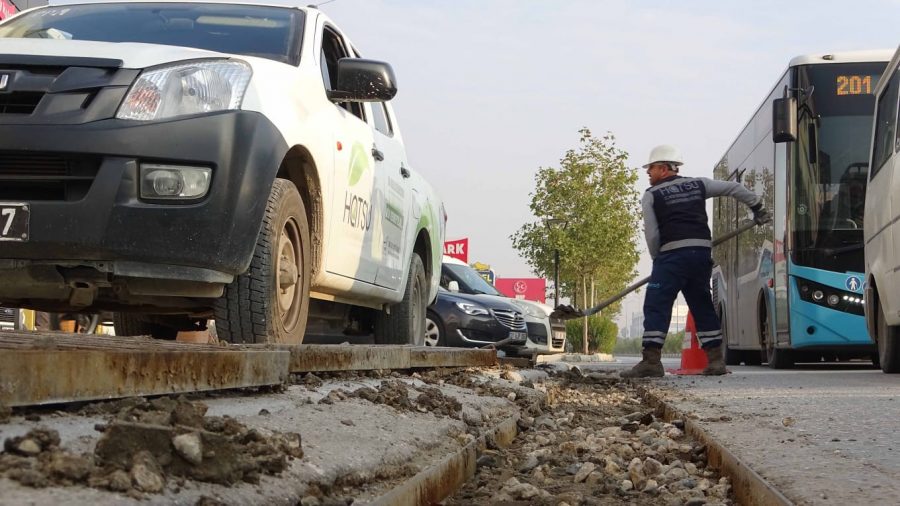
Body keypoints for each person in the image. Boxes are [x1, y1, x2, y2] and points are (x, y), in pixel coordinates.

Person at [622, 145, 770, 378]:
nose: (648, 173)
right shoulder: (699, 184)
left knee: (656, 304)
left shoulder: (651, 195)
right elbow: (734, 187)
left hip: (671, 257)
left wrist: (656, 259)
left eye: (650, 168)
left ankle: (651, 361)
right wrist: (758, 208)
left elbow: (651, 233)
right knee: (702, 304)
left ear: (663, 168)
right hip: (700, 255)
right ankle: (715, 361)